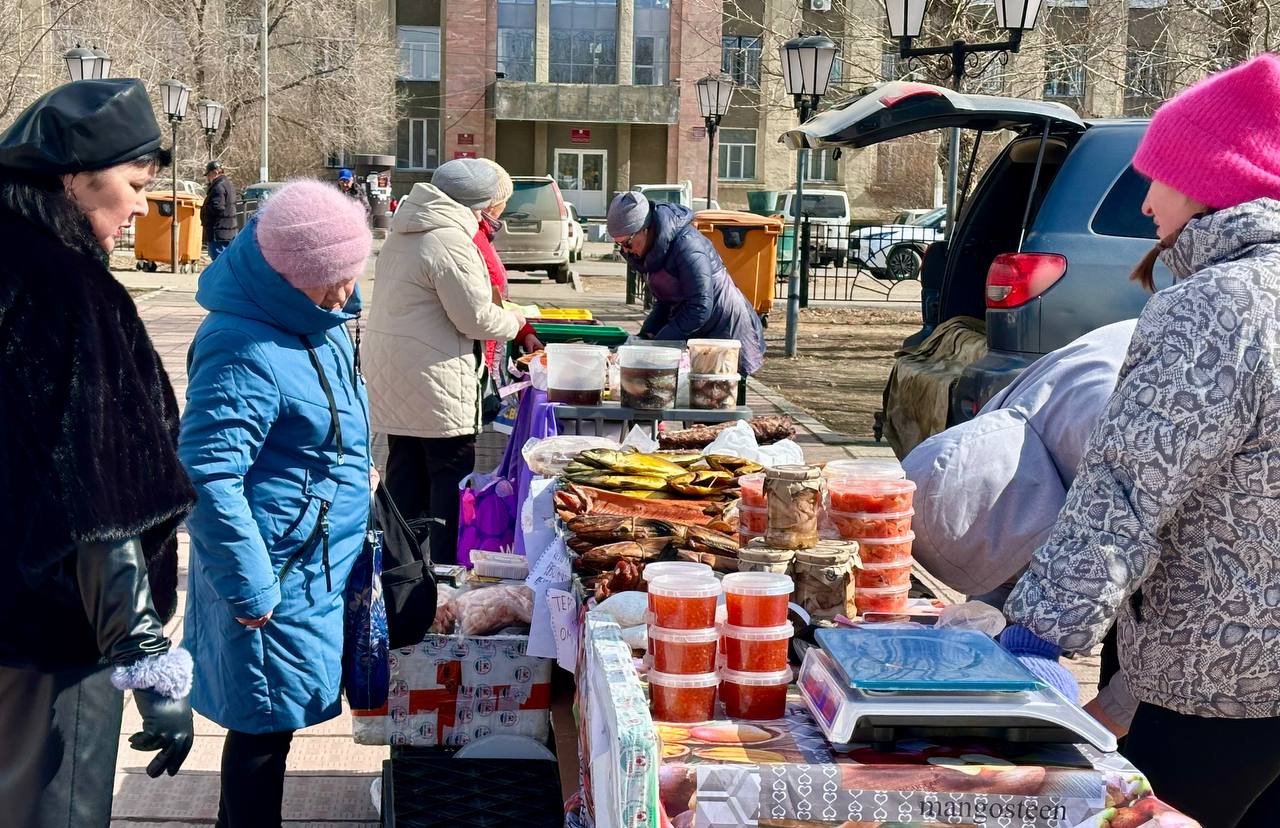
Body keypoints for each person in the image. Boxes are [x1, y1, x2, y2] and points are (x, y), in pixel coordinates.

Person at [1003, 54, 1280, 828]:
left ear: (1210, 181)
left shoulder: (1218, 306)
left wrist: (1040, 635)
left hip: (1212, 690)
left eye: (1156, 176)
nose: (1146, 201)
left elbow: (1125, 489)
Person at [0, 78, 197, 827]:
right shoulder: (71, 292)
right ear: (73, 179)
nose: (144, 206)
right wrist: (147, 660)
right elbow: (100, 502)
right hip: (53, 639)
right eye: (136, 184)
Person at [178, 180, 373, 827]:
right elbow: (207, 475)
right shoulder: (242, 345)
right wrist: (251, 587)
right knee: (263, 732)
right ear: (291, 273)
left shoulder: (320, 319)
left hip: (312, 564)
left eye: (350, 276)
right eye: (331, 280)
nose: (345, 295)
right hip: (274, 575)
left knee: (279, 724)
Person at [902, 320, 1138, 734]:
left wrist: (1099, 720)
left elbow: (1200, 613)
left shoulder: (1129, 447)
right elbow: (1007, 557)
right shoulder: (1000, 432)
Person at [364, 158, 525, 565]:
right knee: (449, 479)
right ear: (482, 204)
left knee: (405, 475)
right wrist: (518, 319)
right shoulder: (450, 239)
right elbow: (476, 318)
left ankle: (398, 572)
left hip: (397, 376)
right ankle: (443, 576)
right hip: (436, 380)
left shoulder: (407, 229)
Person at [608, 191, 765, 375]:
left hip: (726, 330)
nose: (625, 250)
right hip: (699, 333)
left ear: (645, 228)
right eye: (618, 244)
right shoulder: (651, 252)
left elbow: (700, 305)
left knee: (719, 393)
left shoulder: (687, 246)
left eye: (627, 242)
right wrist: (645, 336)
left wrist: (659, 343)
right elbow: (666, 301)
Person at [474, 157, 540, 371]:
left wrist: (524, 332)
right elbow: (482, 306)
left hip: (490, 346)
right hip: (480, 352)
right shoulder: (472, 237)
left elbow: (499, 300)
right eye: (505, 201)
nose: (505, 206)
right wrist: (516, 325)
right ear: (493, 203)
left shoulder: (482, 234)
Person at [202, 160, 237, 261]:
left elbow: (217, 207)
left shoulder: (218, 187)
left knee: (219, 261)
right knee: (226, 260)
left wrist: (205, 210)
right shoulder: (228, 184)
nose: (208, 178)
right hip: (227, 231)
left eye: (208, 174)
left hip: (218, 232)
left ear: (215, 172)